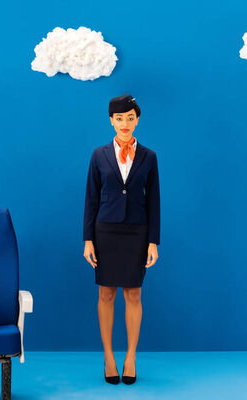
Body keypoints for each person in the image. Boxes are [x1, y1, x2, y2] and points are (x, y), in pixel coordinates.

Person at [83, 94, 160, 385]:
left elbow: (154, 201)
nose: (125, 124)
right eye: (119, 118)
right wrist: (88, 240)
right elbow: (91, 199)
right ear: (111, 121)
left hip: (137, 232)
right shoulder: (98, 155)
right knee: (106, 294)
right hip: (105, 231)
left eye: (130, 118)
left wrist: (153, 241)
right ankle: (108, 356)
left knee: (134, 294)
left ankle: (130, 356)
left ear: (137, 119)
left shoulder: (149, 157)